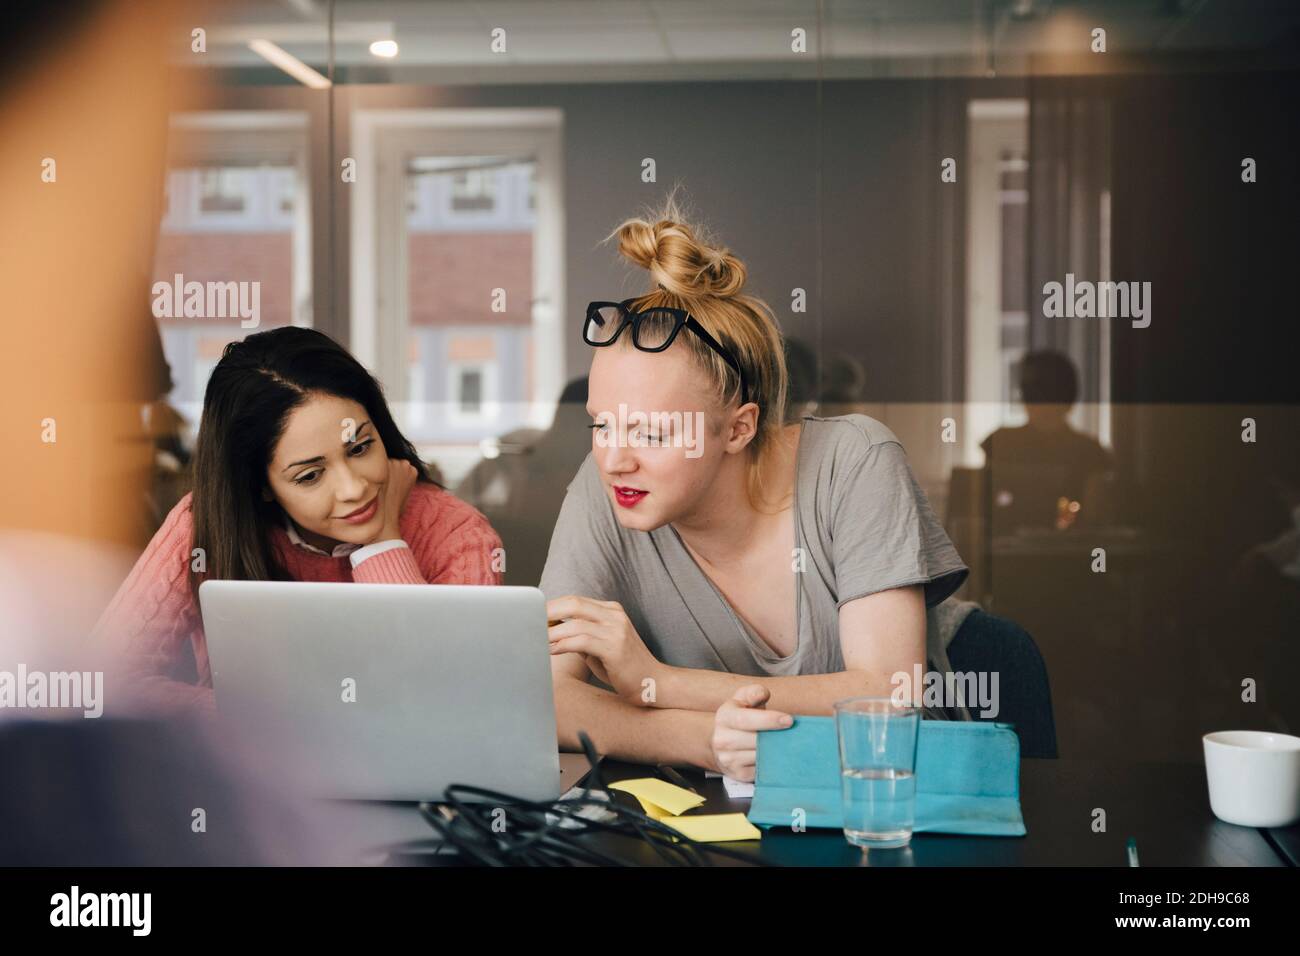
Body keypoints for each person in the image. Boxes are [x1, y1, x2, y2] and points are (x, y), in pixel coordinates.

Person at [540, 203, 977, 781]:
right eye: (602, 424)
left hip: (887, 801)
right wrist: (702, 740)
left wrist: (660, 683)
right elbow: (542, 699)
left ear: (740, 427)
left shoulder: (854, 462)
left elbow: (889, 698)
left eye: (651, 431)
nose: (615, 457)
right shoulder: (609, 487)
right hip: (718, 817)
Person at [93, 326, 503, 715]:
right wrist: (251, 720)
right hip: (248, 776)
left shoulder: (457, 532)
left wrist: (382, 543)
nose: (353, 489)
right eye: (310, 476)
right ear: (261, 485)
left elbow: (456, 700)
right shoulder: (204, 525)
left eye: (360, 448)